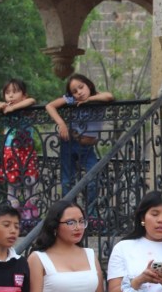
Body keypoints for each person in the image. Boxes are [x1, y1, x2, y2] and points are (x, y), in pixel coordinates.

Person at [45, 73, 114, 213]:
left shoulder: (98, 97)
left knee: (93, 179)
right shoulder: (72, 100)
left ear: (88, 84)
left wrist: (89, 100)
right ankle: (68, 212)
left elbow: (109, 96)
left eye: (81, 87)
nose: (79, 92)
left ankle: (91, 215)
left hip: (87, 148)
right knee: (67, 181)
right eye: (74, 91)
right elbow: (50, 106)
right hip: (69, 143)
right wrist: (61, 123)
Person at [0, 78, 39, 219]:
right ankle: (13, 208)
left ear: (24, 95)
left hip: (26, 149)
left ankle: (31, 208)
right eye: (7, 92)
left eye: (15, 92)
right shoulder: (5, 105)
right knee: (13, 181)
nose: (11, 95)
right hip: (10, 150)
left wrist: (13, 108)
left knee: (30, 180)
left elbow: (32, 100)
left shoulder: (26, 106)